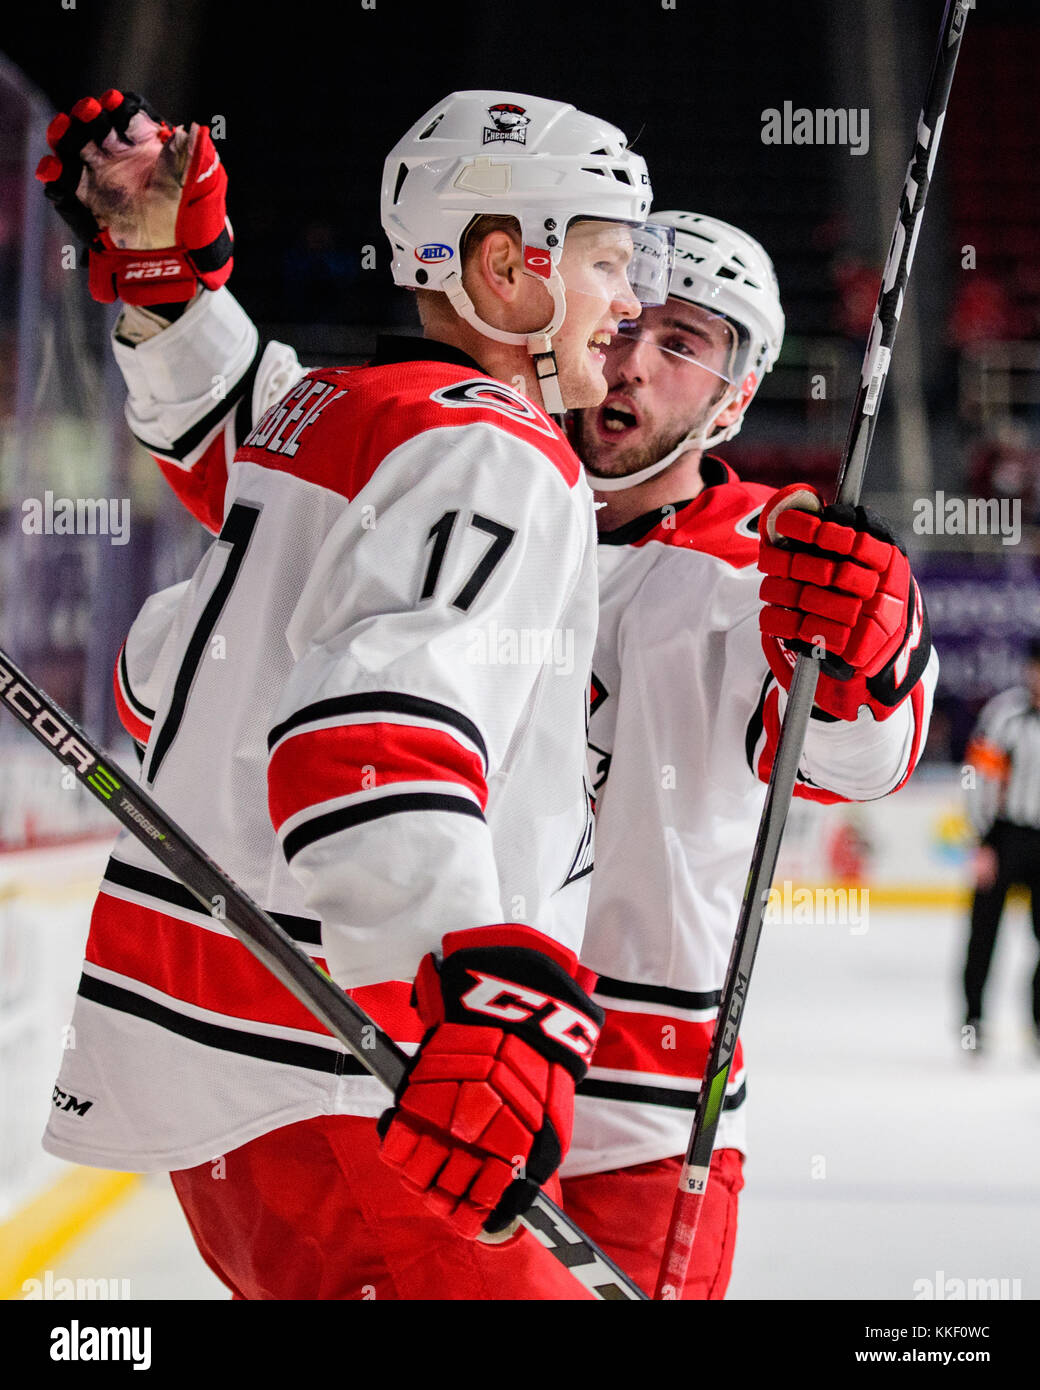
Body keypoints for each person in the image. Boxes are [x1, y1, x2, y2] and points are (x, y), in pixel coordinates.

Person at [37, 88, 669, 1301]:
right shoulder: (497, 449)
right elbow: (374, 735)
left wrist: (168, 281)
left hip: (238, 1083)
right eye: (604, 259)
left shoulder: (341, 414)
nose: (630, 300)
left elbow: (224, 466)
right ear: (506, 267)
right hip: (348, 1074)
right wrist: (467, 995)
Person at [557, 211, 938, 1298]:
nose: (631, 356)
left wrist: (875, 654)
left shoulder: (757, 564)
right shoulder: (474, 493)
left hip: (633, 1119)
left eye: (681, 342)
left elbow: (857, 757)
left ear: (731, 401)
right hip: (420, 1068)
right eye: (622, 319)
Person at [962, 638, 1040, 1055]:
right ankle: (973, 1020)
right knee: (983, 934)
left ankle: (1038, 1025)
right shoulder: (1004, 716)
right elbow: (975, 779)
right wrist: (981, 841)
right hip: (1004, 836)